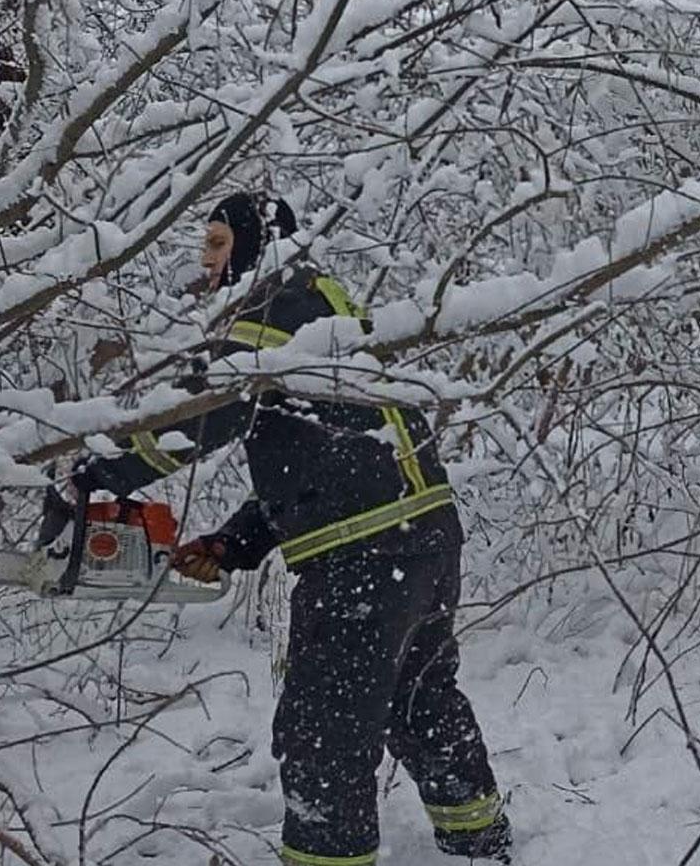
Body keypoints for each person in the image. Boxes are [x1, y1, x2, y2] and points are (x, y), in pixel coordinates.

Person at [69, 192, 512, 866]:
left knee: (325, 728)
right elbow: (325, 455)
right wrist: (235, 543)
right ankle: (477, 837)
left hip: (363, 555)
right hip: (423, 541)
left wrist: (100, 474)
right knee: (418, 697)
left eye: (217, 244)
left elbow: (206, 415)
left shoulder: (269, 307)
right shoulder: (327, 308)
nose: (207, 263)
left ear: (253, 243)